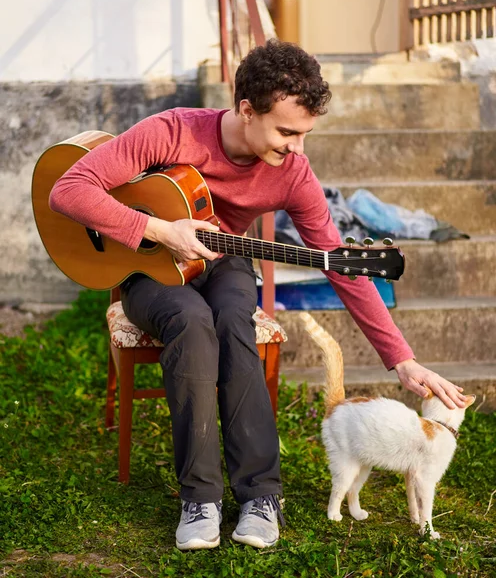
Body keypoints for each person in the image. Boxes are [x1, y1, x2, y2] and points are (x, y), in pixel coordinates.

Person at [49, 39, 469, 551]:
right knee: (190, 322)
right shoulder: (173, 130)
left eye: (304, 133)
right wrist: (159, 230)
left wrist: (401, 359)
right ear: (246, 110)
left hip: (223, 263)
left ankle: (260, 495)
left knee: (233, 320)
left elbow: (339, 265)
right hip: (149, 271)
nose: (295, 145)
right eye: (286, 131)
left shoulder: (293, 171)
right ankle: (200, 498)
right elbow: (68, 189)